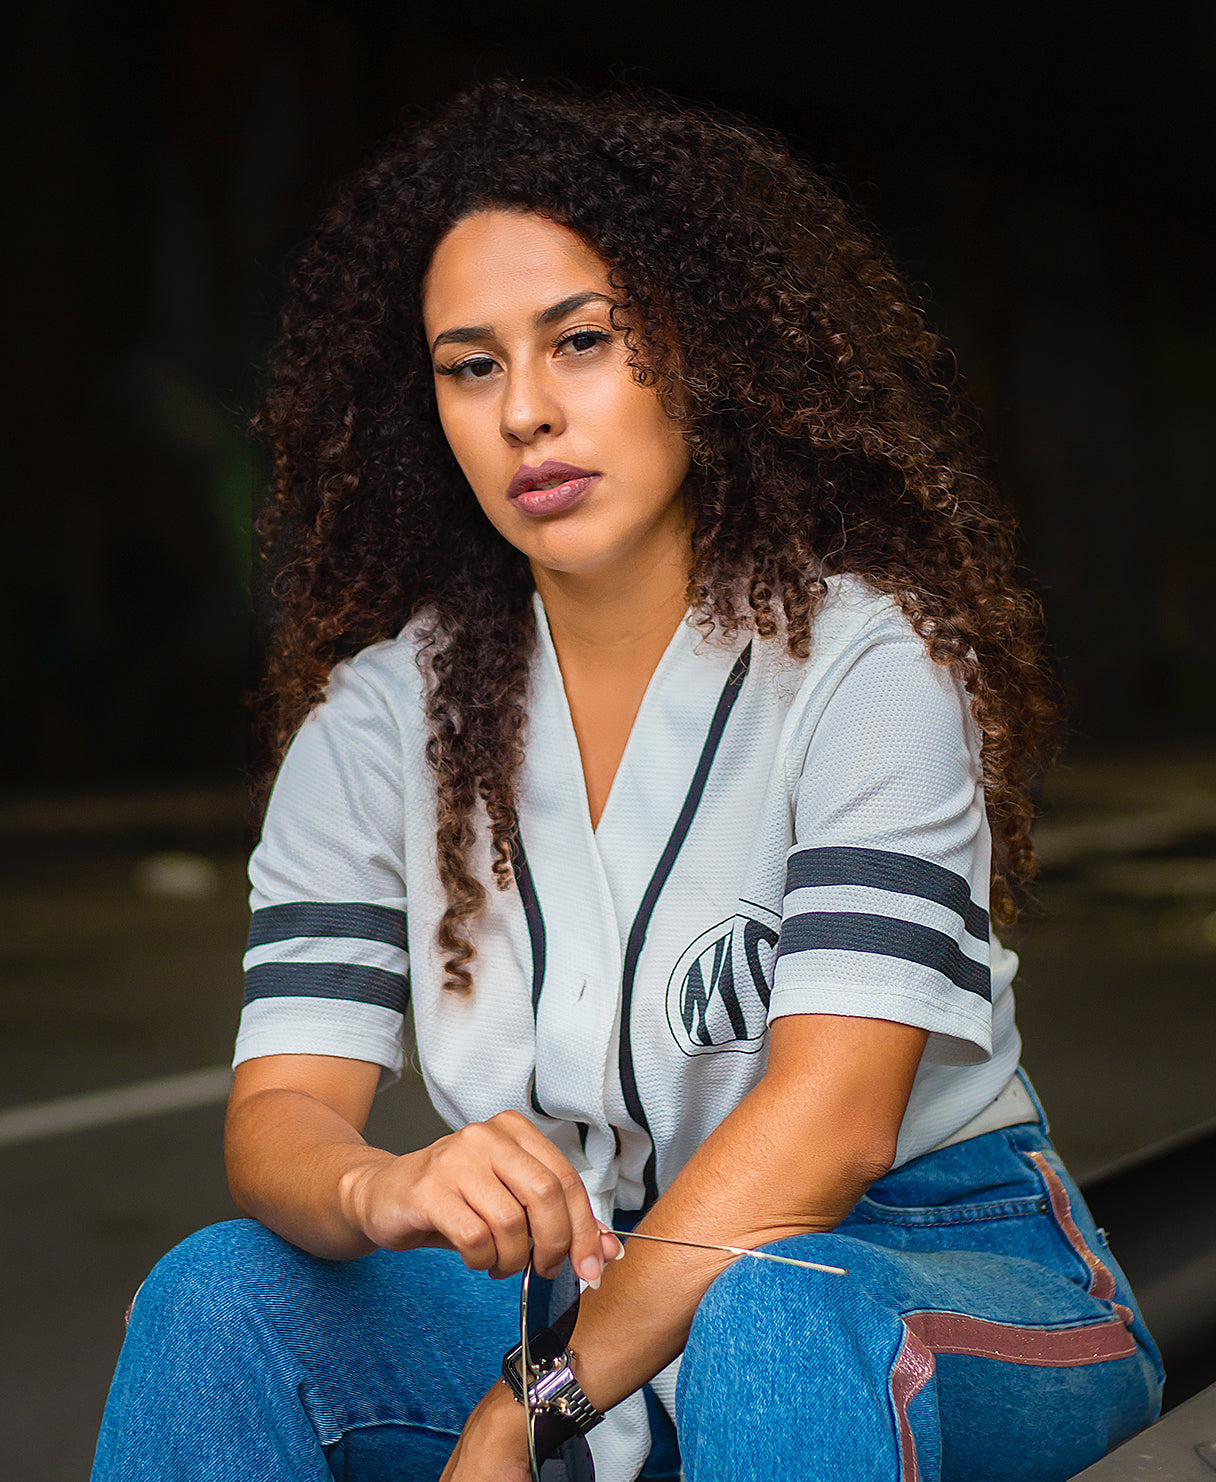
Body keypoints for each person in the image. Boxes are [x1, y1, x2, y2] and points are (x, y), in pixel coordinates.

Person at [91, 79, 1163, 1482]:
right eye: (470, 367)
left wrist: (530, 1404)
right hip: (584, 1285)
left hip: (931, 1266)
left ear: (701, 349)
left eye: (582, 341)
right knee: (223, 1294)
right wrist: (380, 1181)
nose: (526, 412)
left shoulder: (867, 663)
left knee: (774, 1318)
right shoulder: (375, 723)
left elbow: (834, 1127)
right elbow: (279, 1111)